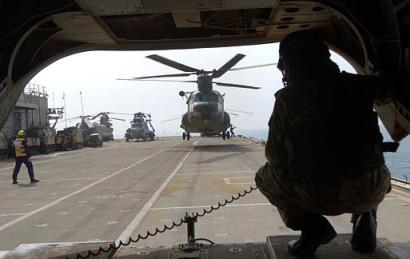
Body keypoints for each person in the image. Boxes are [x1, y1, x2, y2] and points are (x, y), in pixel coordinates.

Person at [255, 30, 391, 257]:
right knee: (371, 167)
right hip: (373, 190)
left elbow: (275, 157)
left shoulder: (288, 99)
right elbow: (391, 91)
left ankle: (312, 229)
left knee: (264, 177)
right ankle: (366, 223)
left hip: (321, 195)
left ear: (290, 63)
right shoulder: (364, 86)